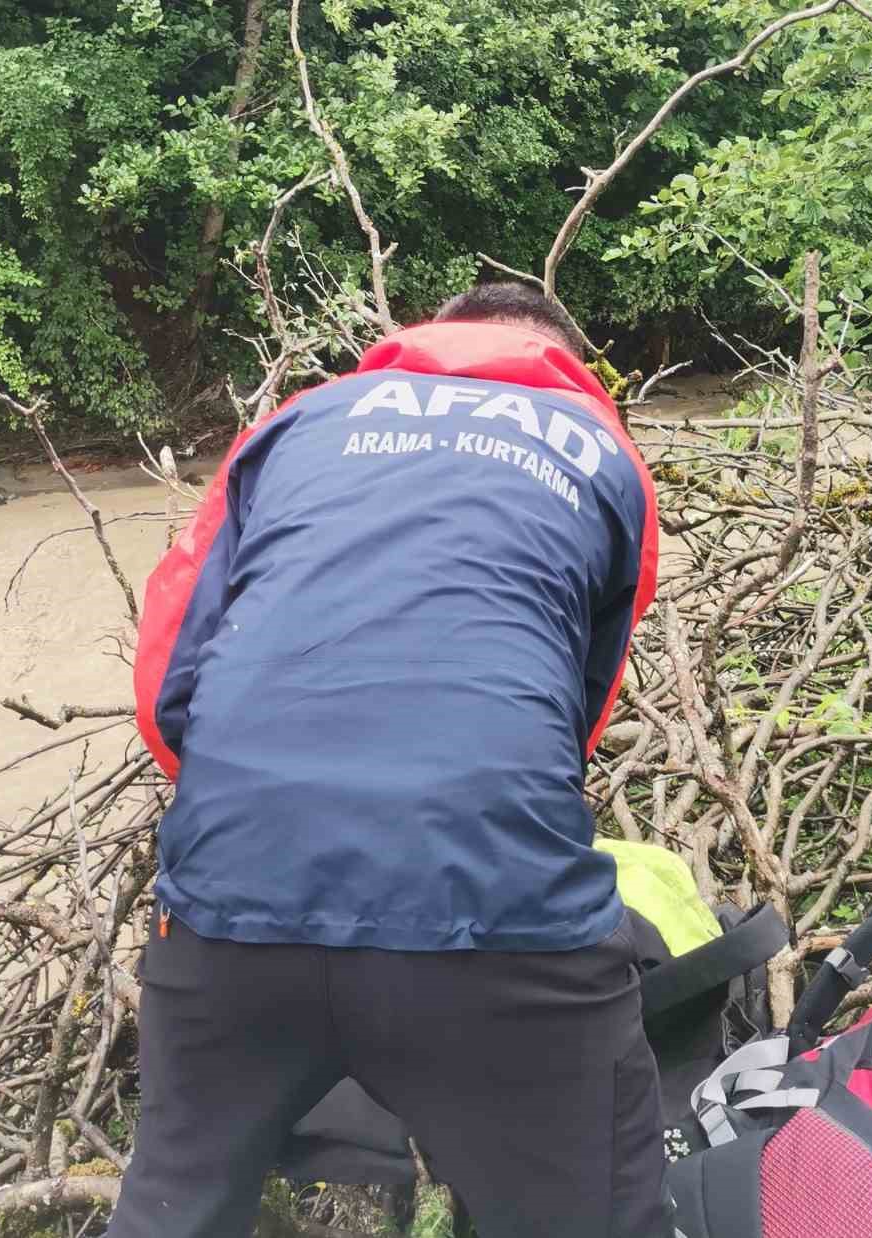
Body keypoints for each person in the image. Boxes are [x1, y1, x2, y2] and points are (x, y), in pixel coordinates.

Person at [111, 282, 662, 1238]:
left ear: (421, 340)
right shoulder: (602, 454)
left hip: (229, 907)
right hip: (494, 915)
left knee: (174, 1208)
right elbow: (576, 717)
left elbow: (166, 687)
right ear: (565, 359)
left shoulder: (298, 422)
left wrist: (277, 837)